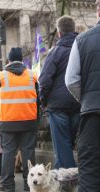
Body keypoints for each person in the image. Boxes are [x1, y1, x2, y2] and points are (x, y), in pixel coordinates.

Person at [65, 0, 100, 192]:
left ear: (98, 11)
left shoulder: (83, 39)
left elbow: (71, 80)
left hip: (93, 113)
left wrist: (87, 98)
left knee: (89, 167)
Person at [38, 16, 80, 169]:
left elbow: (44, 80)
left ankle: (68, 184)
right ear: (74, 30)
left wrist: (43, 102)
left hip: (58, 105)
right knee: (73, 144)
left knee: (62, 148)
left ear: (59, 33)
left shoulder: (55, 52)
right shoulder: (82, 48)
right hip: (79, 103)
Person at [0, 47, 38, 192]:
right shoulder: (32, 75)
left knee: (8, 152)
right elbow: (38, 96)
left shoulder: (2, 76)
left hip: (8, 120)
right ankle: (30, 184)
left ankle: (7, 184)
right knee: (28, 151)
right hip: (28, 119)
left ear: (9, 59)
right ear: (21, 59)